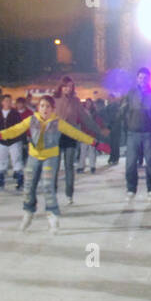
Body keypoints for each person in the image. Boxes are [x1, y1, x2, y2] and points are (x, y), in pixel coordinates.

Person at [0, 95, 107, 232]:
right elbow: (16, 129)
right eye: (42, 106)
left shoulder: (58, 122)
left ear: (53, 108)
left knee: (48, 186)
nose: (44, 109)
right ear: (38, 108)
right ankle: (28, 212)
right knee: (28, 186)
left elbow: (76, 133)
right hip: (34, 156)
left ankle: (52, 215)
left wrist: (95, 143)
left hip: (50, 157)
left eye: (48, 106)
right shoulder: (32, 120)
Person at [51, 76, 103, 206]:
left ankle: (69, 194)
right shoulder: (54, 100)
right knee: (55, 166)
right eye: (66, 86)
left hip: (71, 134)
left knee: (69, 166)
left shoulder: (75, 101)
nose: (68, 89)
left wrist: (99, 129)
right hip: (55, 135)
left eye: (70, 87)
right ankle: (52, 193)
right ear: (61, 87)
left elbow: (85, 118)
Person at [117, 68, 151, 204]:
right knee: (130, 163)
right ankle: (131, 188)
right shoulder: (131, 93)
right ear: (137, 79)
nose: (143, 80)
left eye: (145, 78)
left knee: (150, 162)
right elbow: (122, 110)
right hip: (133, 132)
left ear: (149, 79)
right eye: (141, 78)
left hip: (149, 133)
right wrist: (122, 121)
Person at [0, 94, 27, 191]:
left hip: (14, 140)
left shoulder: (15, 113)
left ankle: (20, 181)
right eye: (6, 101)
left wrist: (23, 140)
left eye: (10, 101)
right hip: (2, 141)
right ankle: (0, 180)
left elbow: (21, 127)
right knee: (1, 160)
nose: (8, 103)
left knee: (16, 159)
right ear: (2, 102)